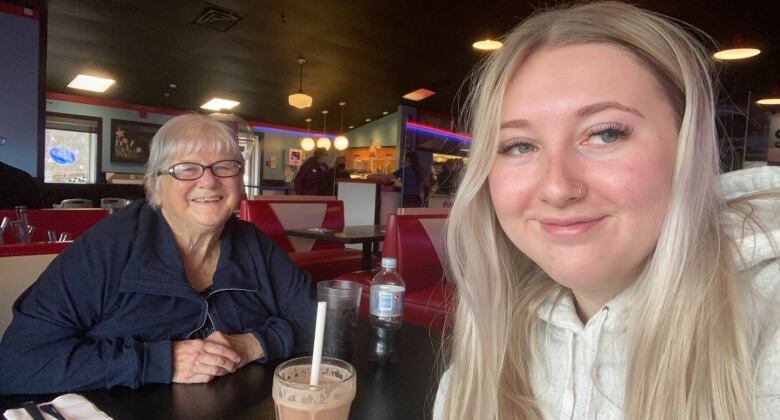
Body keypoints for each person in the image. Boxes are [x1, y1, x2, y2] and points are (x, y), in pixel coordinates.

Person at [434, 2, 780, 420]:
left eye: (606, 134)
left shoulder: (766, 315)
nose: (558, 188)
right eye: (519, 145)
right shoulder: (493, 335)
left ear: (687, 149)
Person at [0, 114, 317, 394]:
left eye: (224, 166)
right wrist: (162, 362)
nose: (208, 180)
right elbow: (17, 363)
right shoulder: (111, 246)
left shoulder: (253, 244)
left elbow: (318, 322)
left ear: (240, 183)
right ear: (154, 187)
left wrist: (252, 344)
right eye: (185, 169)